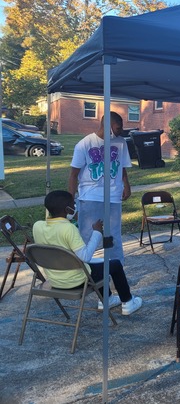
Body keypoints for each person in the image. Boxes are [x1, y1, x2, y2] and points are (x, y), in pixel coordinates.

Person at [32, 190, 142, 315]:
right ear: (68, 209)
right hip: (76, 280)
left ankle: (107, 299)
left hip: (55, 279)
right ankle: (128, 302)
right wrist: (97, 232)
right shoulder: (68, 228)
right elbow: (85, 256)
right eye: (73, 204)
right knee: (115, 264)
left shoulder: (37, 226)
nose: (75, 207)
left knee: (101, 264)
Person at [68, 111, 132, 264]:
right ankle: (85, 271)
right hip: (90, 196)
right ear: (107, 126)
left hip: (114, 195)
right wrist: (71, 201)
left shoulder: (121, 142)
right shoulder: (84, 144)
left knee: (114, 236)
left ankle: (116, 271)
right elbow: (73, 175)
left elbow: (122, 167)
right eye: (117, 128)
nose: (120, 131)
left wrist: (126, 184)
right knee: (87, 235)